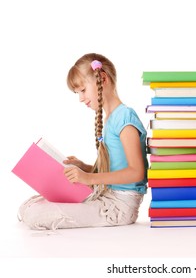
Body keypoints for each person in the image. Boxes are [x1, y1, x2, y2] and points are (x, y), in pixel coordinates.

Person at [18, 53, 148, 230]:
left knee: (35, 215)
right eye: (77, 92)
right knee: (29, 205)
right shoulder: (110, 118)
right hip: (106, 195)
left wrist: (89, 178)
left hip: (119, 205)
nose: (80, 98)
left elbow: (136, 172)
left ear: (102, 79)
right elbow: (115, 168)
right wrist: (84, 167)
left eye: (83, 90)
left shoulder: (125, 117)